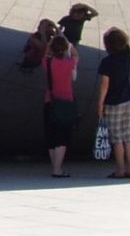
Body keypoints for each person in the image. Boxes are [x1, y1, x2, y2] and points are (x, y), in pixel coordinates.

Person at [97, 27, 130, 179]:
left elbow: (104, 85)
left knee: (117, 138)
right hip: (127, 100)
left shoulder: (107, 62)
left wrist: (100, 104)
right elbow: (124, 42)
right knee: (128, 137)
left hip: (113, 103)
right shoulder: (126, 54)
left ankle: (120, 169)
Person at [43, 35, 78, 178]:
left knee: (51, 136)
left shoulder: (48, 62)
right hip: (66, 102)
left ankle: (55, 167)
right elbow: (76, 54)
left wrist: (52, 41)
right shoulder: (70, 63)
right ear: (64, 49)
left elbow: (46, 52)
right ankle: (57, 169)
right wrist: (67, 42)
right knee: (62, 137)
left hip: (50, 102)